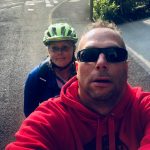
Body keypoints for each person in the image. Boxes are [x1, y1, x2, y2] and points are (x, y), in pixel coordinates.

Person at [6, 20, 150, 150]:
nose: (101, 63)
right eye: (89, 55)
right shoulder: (37, 79)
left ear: (126, 67)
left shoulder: (143, 107)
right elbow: (31, 119)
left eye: (113, 55)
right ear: (77, 67)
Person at [24, 23, 78, 117]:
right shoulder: (36, 76)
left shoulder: (82, 72)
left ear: (74, 49)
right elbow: (30, 113)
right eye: (54, 48)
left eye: (65, 47)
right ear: (48, 51)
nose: (60, 53)